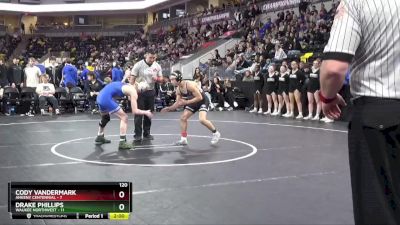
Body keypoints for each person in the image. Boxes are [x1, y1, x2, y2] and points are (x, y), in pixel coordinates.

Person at [319, 0, 400, 224]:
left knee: (379, 209)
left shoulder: (357, 2)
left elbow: (334, 68)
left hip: (379, 118)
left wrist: (327, 97)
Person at [161, 70, 220, 146]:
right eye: (170, 79)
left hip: (202, 100)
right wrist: (169, 108)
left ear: (178, 79)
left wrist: (186, 102)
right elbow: (178, 103)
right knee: (183, 118)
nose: (171, 81)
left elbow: (199, 97)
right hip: (193, 101)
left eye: (172, 79)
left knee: (202, 119)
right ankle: (183, 139)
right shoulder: (178, 89)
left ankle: (216, 133)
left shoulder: (189, 85)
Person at [95, 75, 153, 150]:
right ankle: (122, 142)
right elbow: (135, 111)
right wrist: (146, 112)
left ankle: (99, 136)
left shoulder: (127, 85)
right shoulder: (134, 92)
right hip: (106, 99)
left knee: (105, 118)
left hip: (100, 97)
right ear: (140, 90)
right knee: (124, 117)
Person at [130, 50, 163, 142]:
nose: (152, 59)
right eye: (150, 57)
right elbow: (132, 80)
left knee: (149, 113)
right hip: (139, 92)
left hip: (151, 91)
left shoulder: (157, 65)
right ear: (146, 56)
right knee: (139, 114)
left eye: (154, 57)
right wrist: (133, 90)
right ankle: (137, 135)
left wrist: (157, 78)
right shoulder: (138, 65)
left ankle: (147, 133)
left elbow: (161, 79)